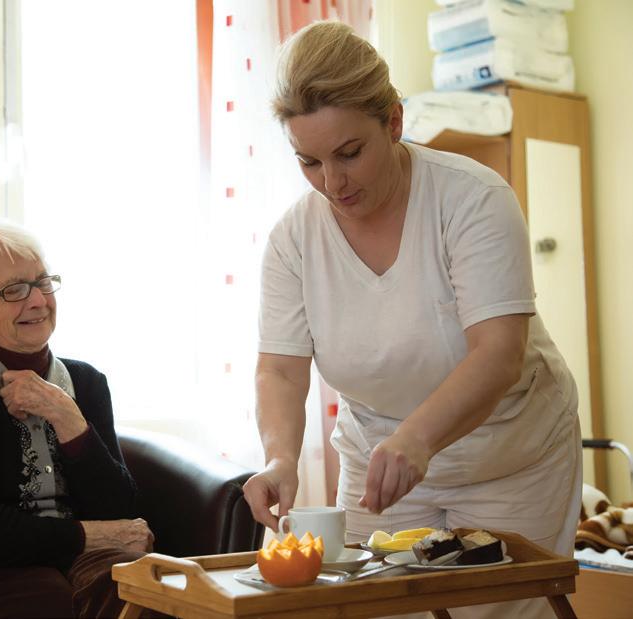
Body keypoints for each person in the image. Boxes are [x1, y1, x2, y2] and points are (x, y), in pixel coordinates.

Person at [242, 21, 581, 619]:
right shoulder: (293, 239)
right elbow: (281, 370)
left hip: (509, 458)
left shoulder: (471, 199)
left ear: (394, 122)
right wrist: (280, 459)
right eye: (309, 162)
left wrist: (418, 439)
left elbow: (498, 352)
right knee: (374, 608)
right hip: (380, 460)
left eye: (350, 153)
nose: (332, 183)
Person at [0, 219, 153, 618]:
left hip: (80, 562)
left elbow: (120, 508)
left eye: (42, 282)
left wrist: (66, 415)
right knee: (50, 598)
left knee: (138, 582)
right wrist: (94, 534)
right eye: (14, 290)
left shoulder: (87, 382)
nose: (38, 300)